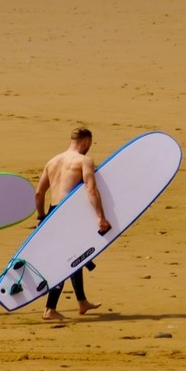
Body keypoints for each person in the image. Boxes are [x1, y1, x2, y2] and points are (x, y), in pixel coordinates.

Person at [35, 126, 111, 320]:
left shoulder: (52, 162)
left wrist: (41, 217)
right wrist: (100, 217)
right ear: (85, 142)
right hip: (68, 215)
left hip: (53, 212)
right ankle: (49, 309)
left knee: (75, 256)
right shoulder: (84, 161)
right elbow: (91, 189)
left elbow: (39, 193)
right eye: (90, 144)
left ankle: (82, 301)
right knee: (66, 260)